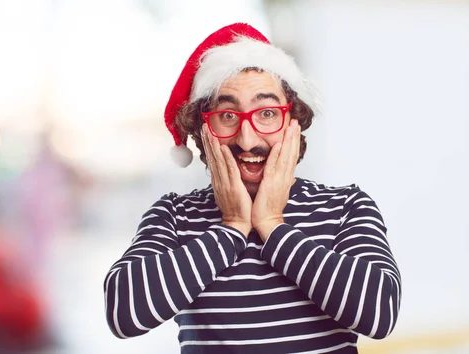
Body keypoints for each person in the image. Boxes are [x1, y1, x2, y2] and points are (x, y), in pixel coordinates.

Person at [104, 23, 402, 353]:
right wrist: (232, 227)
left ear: (294, 121)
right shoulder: (173, 215)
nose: (248, 139)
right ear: (203, 128)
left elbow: (379, 315)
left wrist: (273, 225)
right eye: (227, 115)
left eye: (267, 113)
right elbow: (123, 315)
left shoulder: (346, 206)